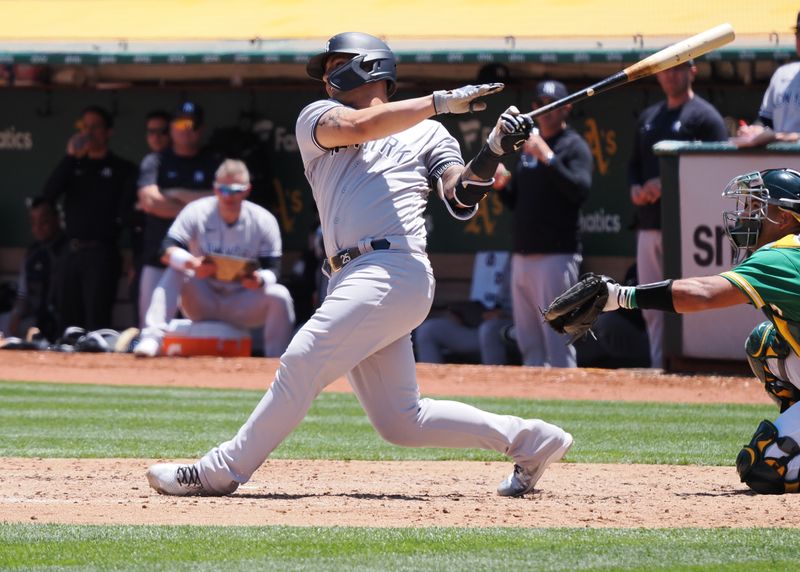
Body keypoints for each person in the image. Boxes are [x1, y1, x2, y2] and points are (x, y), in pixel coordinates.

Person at [145, 31, 572, 499]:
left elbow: (461, 198)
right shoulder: (318, 116)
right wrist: (440, 100)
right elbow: (359, 128)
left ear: (370, 66)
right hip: (348, 276)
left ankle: (219, 471)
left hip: (394, 267)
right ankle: (533, 440)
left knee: (303, 357)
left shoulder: (430, 130)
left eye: (335, 64)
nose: (327, 75)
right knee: (401, 422)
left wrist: (491, 152)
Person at [549, 168, 800, 494]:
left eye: (756, 207)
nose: (746, 216)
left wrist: (621, 297)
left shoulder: (783, 255)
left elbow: (703, 293)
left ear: (783, 216)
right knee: (766, 344)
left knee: (764, 467)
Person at [134, 159, 295, 358]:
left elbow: (274, 268)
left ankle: (277, 358)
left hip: (241, 299)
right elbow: (166, 249)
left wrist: (259, 279)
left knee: (280, 295)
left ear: (246, 190)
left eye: (236, 190)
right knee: (176, 269)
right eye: (223, 190)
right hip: (203, 297)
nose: (229, 196)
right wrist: (192, 263)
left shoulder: (262, 219)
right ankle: (152, 338)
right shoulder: (197, 211)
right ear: (215, 189)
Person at [628, 60, 727, 368]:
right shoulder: (649, 116)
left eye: (678, 68)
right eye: (666, 69)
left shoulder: (705, 116)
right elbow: (633, 164)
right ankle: (659, 366)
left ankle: (691, 367)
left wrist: (669, 183)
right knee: (649, 303)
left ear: (692, 71)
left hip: (687, 228)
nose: (671, 75)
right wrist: (635, 188)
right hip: (649, 224)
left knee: (689, 299)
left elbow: (717, 174)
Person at [494, 80, 593, 367]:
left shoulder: (573, 146)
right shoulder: (527, 149)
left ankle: (568, 403)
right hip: (524, 255)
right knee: (529, 342)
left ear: (566, 109)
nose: (545, 111)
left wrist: (547, 156)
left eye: (553, 105)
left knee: (558, 341)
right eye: (539, 105)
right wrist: (502, 186)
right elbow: (517, 202)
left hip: (557, 256)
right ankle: (535, 401)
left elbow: (579, 191)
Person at [42, 105, 138, 332]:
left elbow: (128, 216)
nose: (89, 133)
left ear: (108, 132)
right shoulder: (74, 165)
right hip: (71, 251)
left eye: (95, 127)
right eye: (85, 127)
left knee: (97, 321)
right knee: (68, 323)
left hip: (102, 252)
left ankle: (96, 366)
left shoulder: (122, 169)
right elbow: (48, 194)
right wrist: (70, 157)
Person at [135, 101, 222, 329]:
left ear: (201, 129)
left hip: (201, 263)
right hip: (158, 257)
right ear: (172, 127)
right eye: (180, 122)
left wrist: (175, 194)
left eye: (192, 123)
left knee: (202, 327)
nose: (186, 128)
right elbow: (150, 201)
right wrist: (197, 205)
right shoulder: (155, 160)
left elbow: (220, 202)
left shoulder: (212, 161)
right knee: (150, 328)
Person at [414, 251, 513, 365]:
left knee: (488, 330)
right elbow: (498, 304)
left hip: (512, 329)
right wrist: (467, 315)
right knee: (428, 330)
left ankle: (494, 381)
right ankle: (432, 382)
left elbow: (530, 312)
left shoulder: (529, 265)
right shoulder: (511, 261)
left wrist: (502, 315)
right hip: (482, 327)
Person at [130, 110, 174, 326]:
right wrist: (189, 203)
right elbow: (150, 202)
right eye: (151, 132)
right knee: (147, 325)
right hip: (152, 254)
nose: (156, 137)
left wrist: (168, 204)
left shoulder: (182, 160)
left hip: (189, 260)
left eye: (162, 131)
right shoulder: (150, 162)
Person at [734, 12, 800, 148]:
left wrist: (780, 137)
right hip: (776, 162)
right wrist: (753, 131)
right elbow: (765, 121)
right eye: (799, 33)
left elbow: (776, 135)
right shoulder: (783, 74)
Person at [7, 197, 67, 341]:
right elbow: (23, 292)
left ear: (57, 219)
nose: (38, 228)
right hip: (34, 318)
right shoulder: (32, 253)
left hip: (62, 321)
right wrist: (17, 314)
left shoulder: (69, 250)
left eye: (44, 222)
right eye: (33, 223)